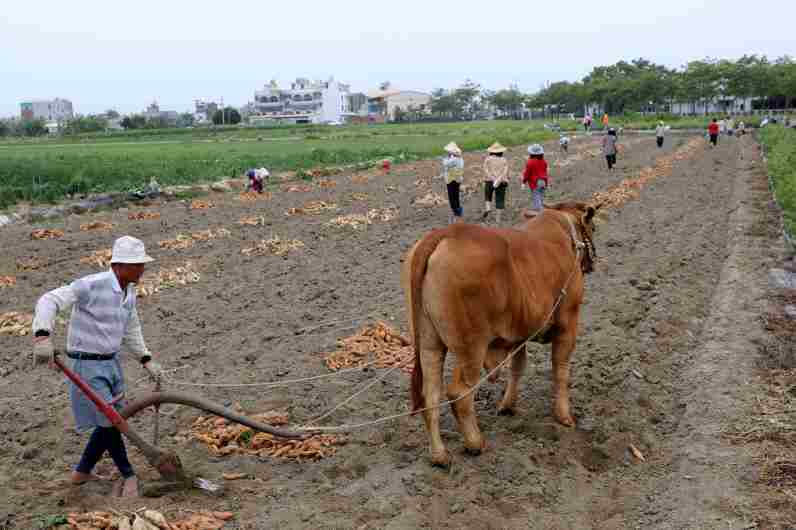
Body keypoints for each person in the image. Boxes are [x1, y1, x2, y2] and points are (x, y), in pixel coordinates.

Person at [32, 236, 163, 498]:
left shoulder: (129, 291)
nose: (142, 269)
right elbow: (49, 300)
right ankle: (128, 474)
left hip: (111, 363)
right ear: (119, 265)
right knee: (111, 421)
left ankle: (81, 472)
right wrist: (43, 336)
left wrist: (146, 359)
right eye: (138, 264)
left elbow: (131, 328)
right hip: (87, 364)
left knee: (111, 420)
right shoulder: (91, 285)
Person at [481, 142, 509, 224]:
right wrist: (499, 179)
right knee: (500, 199)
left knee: (487, 196)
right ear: (501, 152)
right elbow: (505, 171)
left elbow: (485, 170)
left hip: (489, 181)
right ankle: (498, 219)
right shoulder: (504, 160)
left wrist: (492, 178)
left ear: (491, 151)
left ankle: (488, 208)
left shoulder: (488, 159)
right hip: (501, 182)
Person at [441, 142, 464, 224]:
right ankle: (456, 217)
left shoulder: (453, 159)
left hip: (451, 180)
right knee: (456, 197)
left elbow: (445, 164)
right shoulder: (460, 159)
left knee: (452, 198)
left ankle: (457, 214)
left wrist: (445, 159)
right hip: (457, 179)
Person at [522, 144, 548, 211]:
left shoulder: (530, 162)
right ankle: (539, 212)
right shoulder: (544, 161)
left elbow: (527, 174)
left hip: (535, 182)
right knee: (541, 198)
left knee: (536, 198)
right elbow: (545, 172)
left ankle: (540, 214)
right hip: (543, 181)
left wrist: (523, 182)